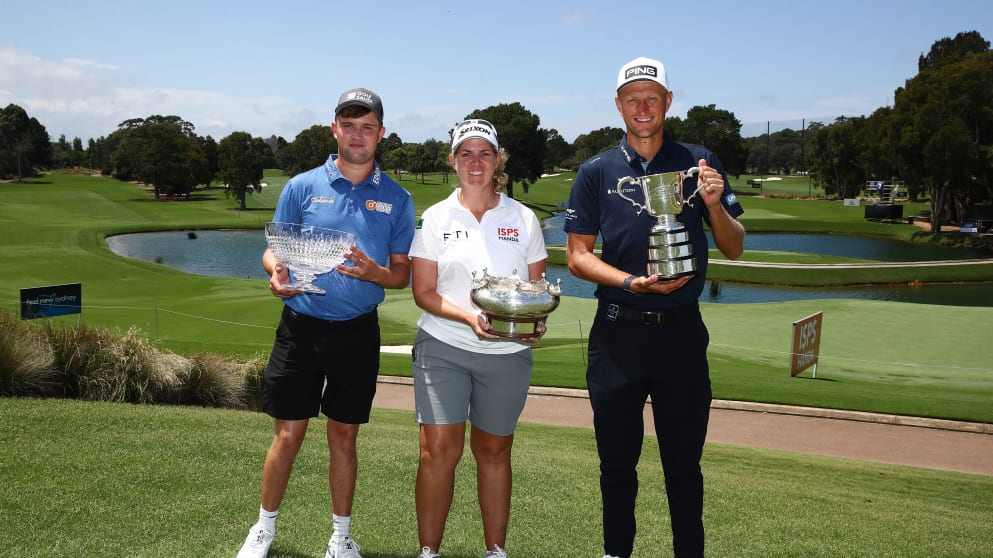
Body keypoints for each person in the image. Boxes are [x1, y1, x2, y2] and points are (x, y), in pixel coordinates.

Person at [563, 57, 745, 558]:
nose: (642, 107)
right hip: (617, 334)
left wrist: (712, 205)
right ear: (618, 105)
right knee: (616, 467)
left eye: (652, 97)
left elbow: (734, 246)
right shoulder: (596, 171)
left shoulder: (701, 161)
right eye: (632, 98)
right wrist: (630, 282)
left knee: (684, 467)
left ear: (668, 101)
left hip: (681, 336)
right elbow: (577, 256)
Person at [236, 87, 416, 558]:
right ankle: (263, 530)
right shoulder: (300, 186)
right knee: (288, 432)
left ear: (381, 134)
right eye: (349, 125)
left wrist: (376, 273)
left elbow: (401, 273)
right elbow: (274, 248)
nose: (358, 135)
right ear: (334, 128)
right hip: (301, 325)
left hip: (358, 331)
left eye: (367, 126)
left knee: (344, 435)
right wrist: (274, 271)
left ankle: (340, 538)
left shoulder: (397, 198)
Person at [408, 119, 549, 558]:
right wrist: (469, 317)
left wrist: (536, 318)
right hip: (443, 347)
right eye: (465, 153)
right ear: (453, 161)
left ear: (497, 160)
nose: (475, 162)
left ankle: (495, 551)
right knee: (438, 452)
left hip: (506, 352)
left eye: (484, 153)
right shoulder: (435, 218)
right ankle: (429, 552)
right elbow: (423, 292)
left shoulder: (523, 218)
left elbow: (536, 291)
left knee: (493, 451)